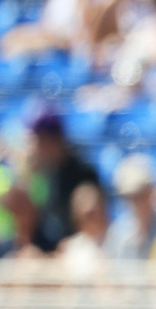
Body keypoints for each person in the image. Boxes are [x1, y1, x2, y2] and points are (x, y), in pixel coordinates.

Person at [18, 109, 101, 256]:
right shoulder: (42, 171)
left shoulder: (82, 172)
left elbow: (91, 223)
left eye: (38, 139)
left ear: (51, 140)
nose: (34, 145)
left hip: (78, 251)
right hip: (49, 253)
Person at [104, 154, 156, 261]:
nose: (136, 202)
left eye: (140, 194)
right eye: (130, 197)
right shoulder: (116, 235)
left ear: (151, 191)